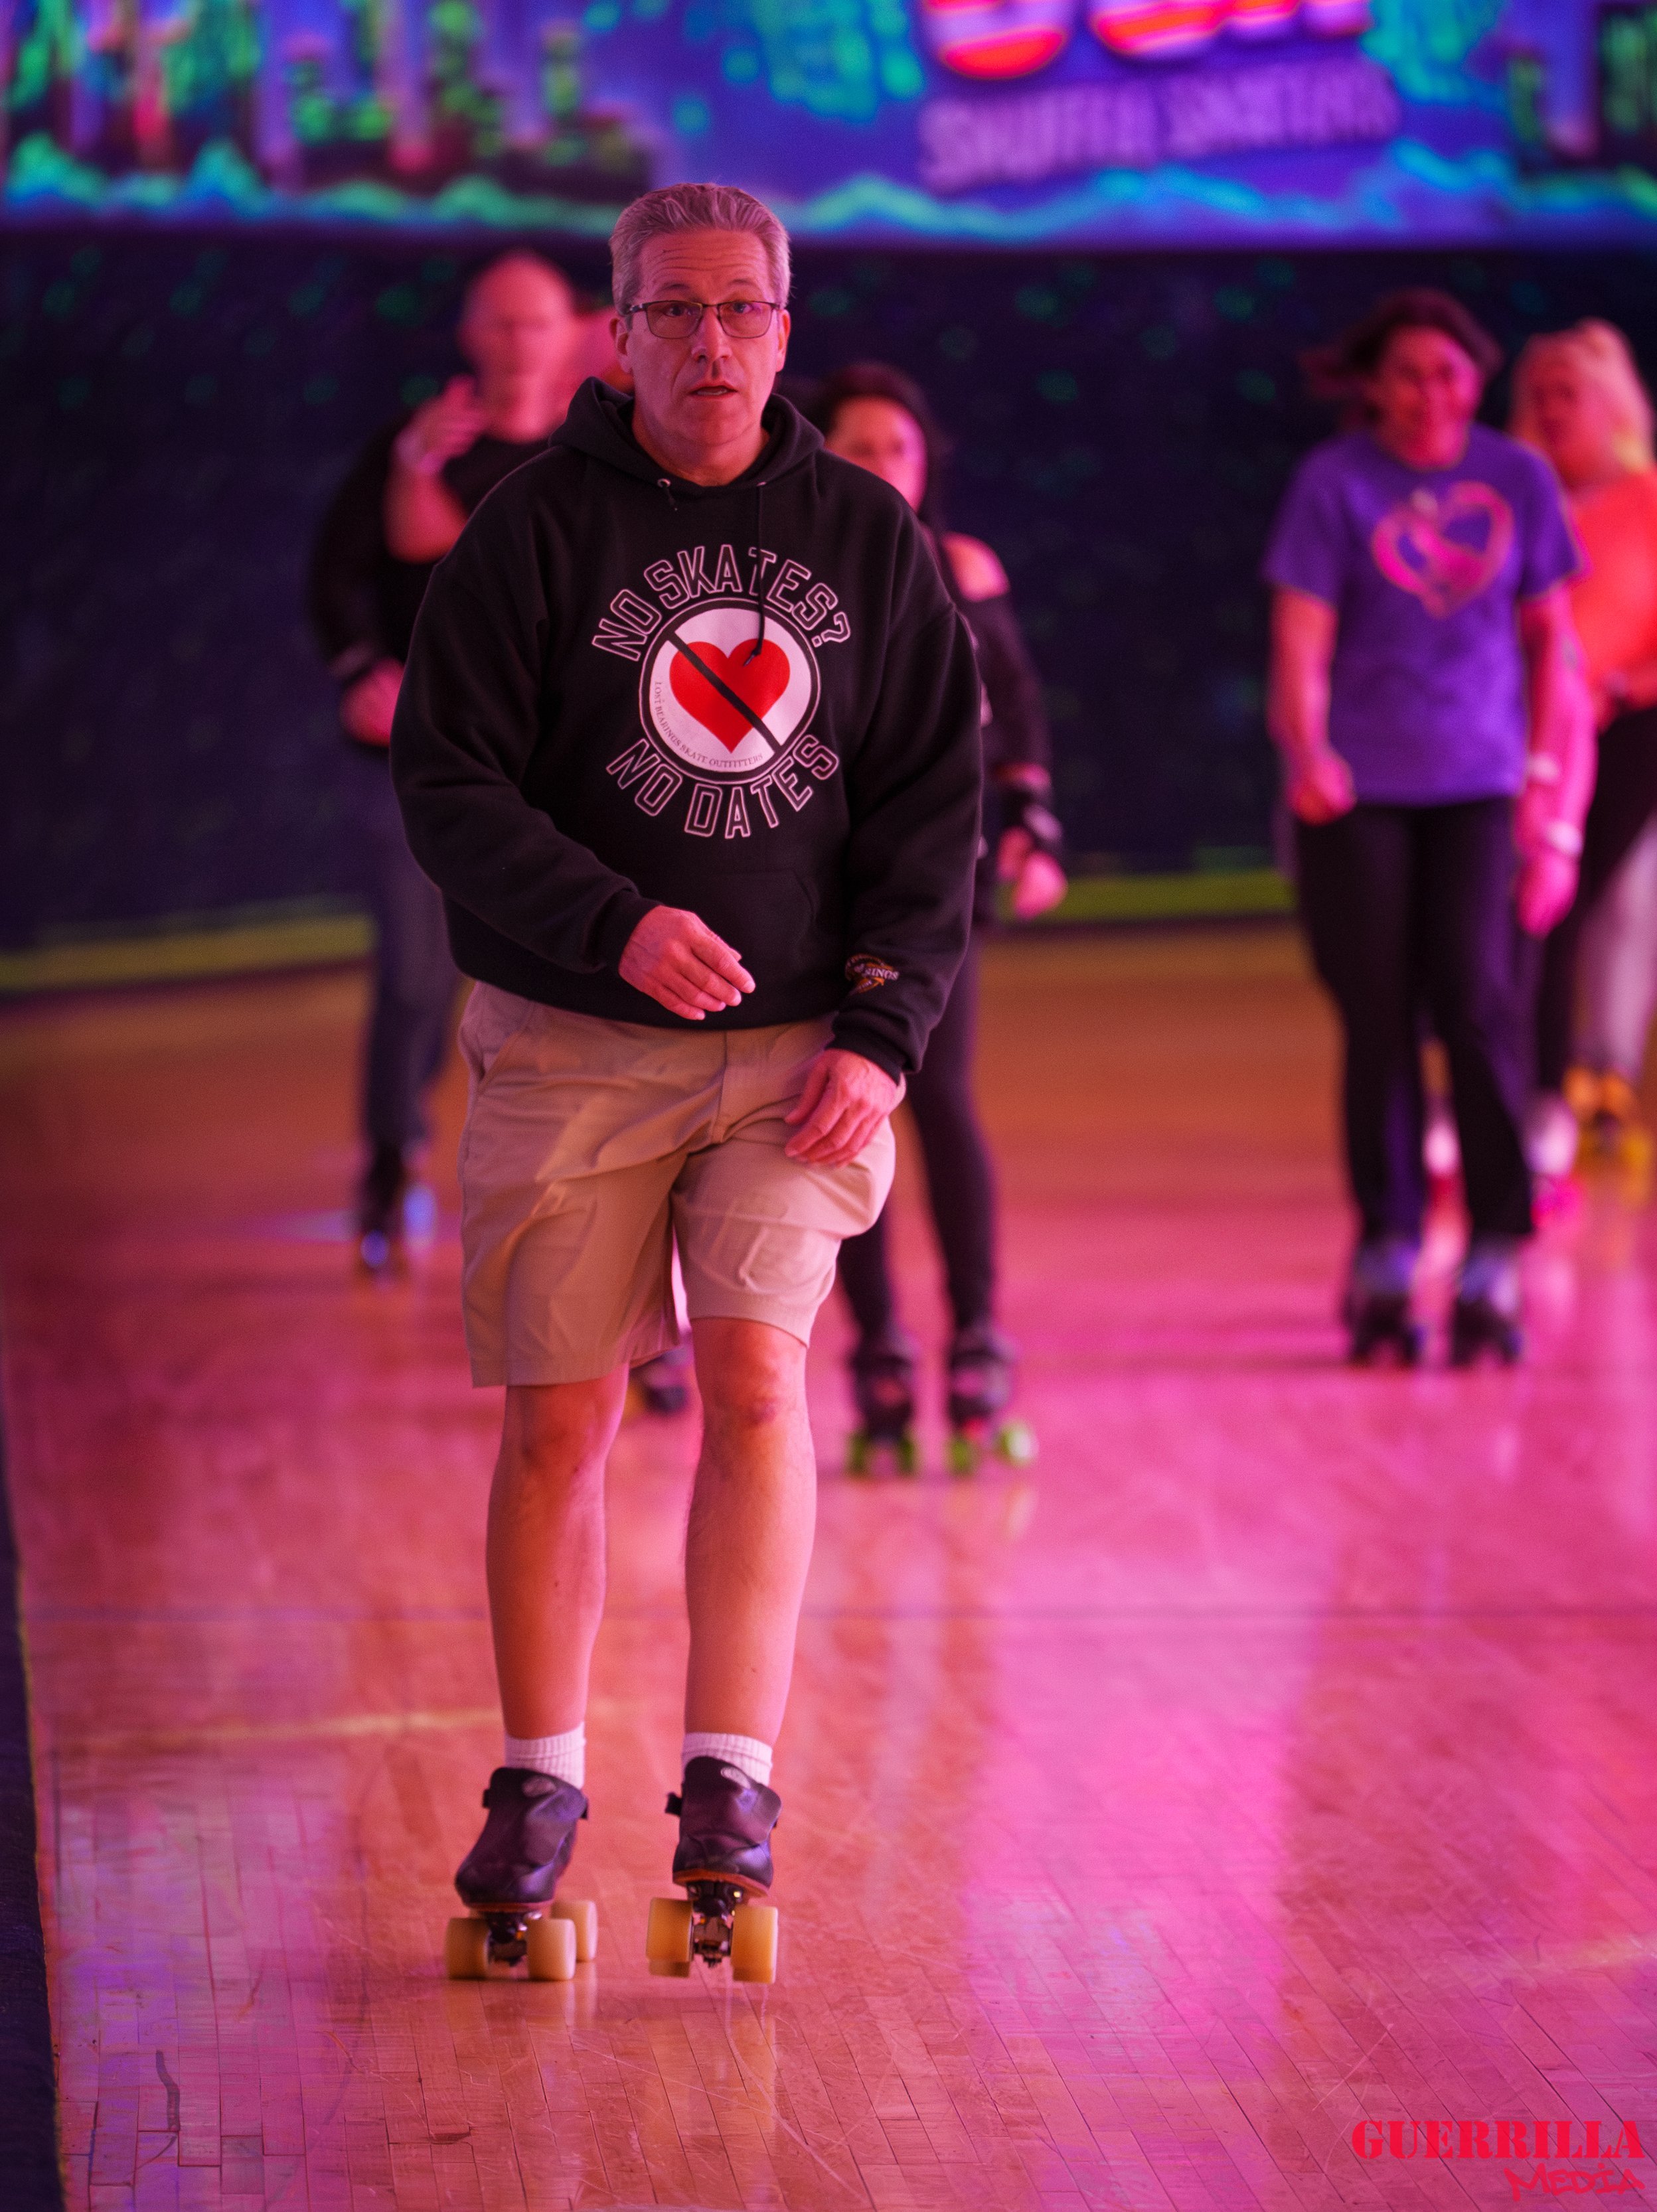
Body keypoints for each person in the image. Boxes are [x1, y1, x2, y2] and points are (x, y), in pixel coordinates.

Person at [389, 184, 981, 1968]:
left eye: (740, 310)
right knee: (560, 1412)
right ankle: (539, 1774)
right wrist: (612, 920)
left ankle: (730, 1770)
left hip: (790, 1059)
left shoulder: (867, 543)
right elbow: (449, 786)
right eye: (670, 312)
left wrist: (881, 1031)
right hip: (571, 1047)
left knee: (748, 1372)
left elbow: (929, 808)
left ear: (783, 328)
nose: (707, 342)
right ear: (616, 330)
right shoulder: (528, 532)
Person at [1263, 289, 1593, 1366]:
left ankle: (1498, 1236)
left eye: (1448, 374)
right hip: (1361, 792)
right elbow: (1302, 642)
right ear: (1374, 386)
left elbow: (1552, 642)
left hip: (1482, 785)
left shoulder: (1517, 478)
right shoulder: (1337, 484)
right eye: (1407, 374)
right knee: (1379, 1016)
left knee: (1481, 1003)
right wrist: (1308, 749)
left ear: (1474, 380)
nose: (1430, 395)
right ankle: (1392, 1237)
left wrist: (1548, 785)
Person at [802, 362, 1065, 1471]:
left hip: (937, 884)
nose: (879, 468)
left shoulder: (962, 569)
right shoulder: (792, 574)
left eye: (897, 450)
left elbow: (1015, 710)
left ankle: (976, 1332)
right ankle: (877, 1349)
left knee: (939, 1097)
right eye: (856, 448)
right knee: (838, 1110)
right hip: (816, 881)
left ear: (924, 466)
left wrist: (1033, 819)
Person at [308, 253, 584, 1269]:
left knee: (571, 990)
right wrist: (359, 670)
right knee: (419, 979)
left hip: (553, 777)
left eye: (537, 324)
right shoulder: (419, 447)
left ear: (573, 334)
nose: (518, 343)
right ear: (470, 335)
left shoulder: (596, 453)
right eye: (500, 324)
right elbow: (337, 575)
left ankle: (574, 1209)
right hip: (417, 765)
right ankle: (388, 1167)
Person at [1510, 321, 1657, 1171]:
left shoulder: (1647, 500)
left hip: (1632, 727)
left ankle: (1601, 1072)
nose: (1554, 409)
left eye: (1571, 393)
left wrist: (1616, 688)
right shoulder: (1517, 497)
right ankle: (1535, 1084)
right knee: (1534, 903)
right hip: (1536, 729)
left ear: (1611, 405)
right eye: (1543, 395)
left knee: (1614, 902)